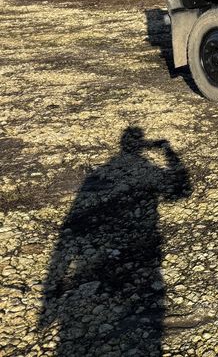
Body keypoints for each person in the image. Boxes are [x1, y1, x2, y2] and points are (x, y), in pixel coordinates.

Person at [39, 127, 191, 355]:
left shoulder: (100, 173)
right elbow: (180, 192)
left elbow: (68, 235)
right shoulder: (145, 169)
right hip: (146, 255)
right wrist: (168, 153)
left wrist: (50, 296)